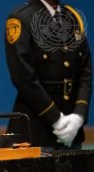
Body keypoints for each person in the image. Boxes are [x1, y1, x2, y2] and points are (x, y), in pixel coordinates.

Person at [5, 0, 92, 149]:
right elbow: (24, 78)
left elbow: (85, 71)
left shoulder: (73, 17)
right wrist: (56, 119)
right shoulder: (21, 19)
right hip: (36, 131)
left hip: (72, 132)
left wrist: (79, 116)